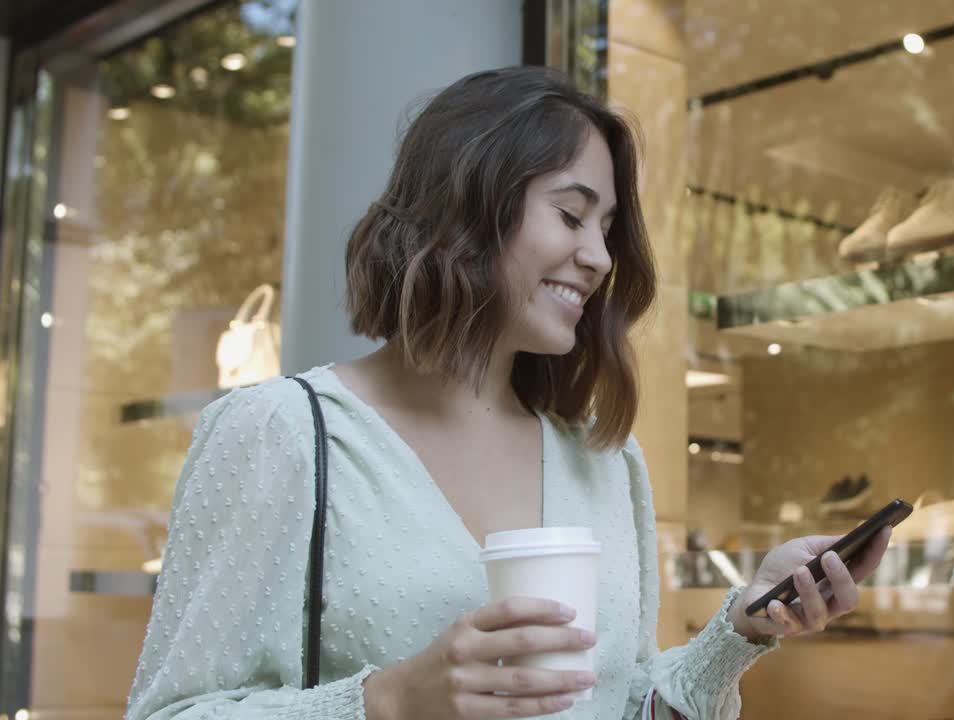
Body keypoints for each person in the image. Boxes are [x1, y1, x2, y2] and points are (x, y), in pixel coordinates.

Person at [124, 66, 891, 720]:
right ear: (466, 204)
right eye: (570, 214)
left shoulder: (604, 460)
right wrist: (389, 701)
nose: (596, 258)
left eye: (609, 229)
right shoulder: (280, 434)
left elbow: (617, 704)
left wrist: (743, 627)